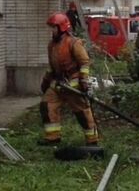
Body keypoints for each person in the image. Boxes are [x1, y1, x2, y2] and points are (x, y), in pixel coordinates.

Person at [38, 13, 98, 146]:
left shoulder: (73, 43)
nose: (52, 31)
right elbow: (52, 67)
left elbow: (84, 62)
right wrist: (46, 80)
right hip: (59, 84)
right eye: (51, 27)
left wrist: (83, 81)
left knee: (82, 112)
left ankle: (92, 140)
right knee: (46, 104)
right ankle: (53, 137)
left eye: (54, 27)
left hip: (73, 85)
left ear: (62, 27)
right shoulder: (52, 45)